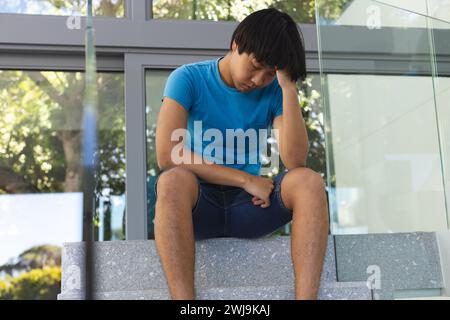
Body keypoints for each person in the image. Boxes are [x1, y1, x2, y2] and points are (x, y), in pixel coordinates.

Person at [153, 7, 329, 300]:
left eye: (270, 73)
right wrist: (244, 180)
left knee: (308, 181)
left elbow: (294, 160)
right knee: (172, 181)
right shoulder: (188, 79)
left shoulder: (274, 90)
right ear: (236, 44)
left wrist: (287, 86)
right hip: (199, 204)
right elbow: (167, 154)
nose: (259, 79)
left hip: (250, 208)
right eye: (256, 65)